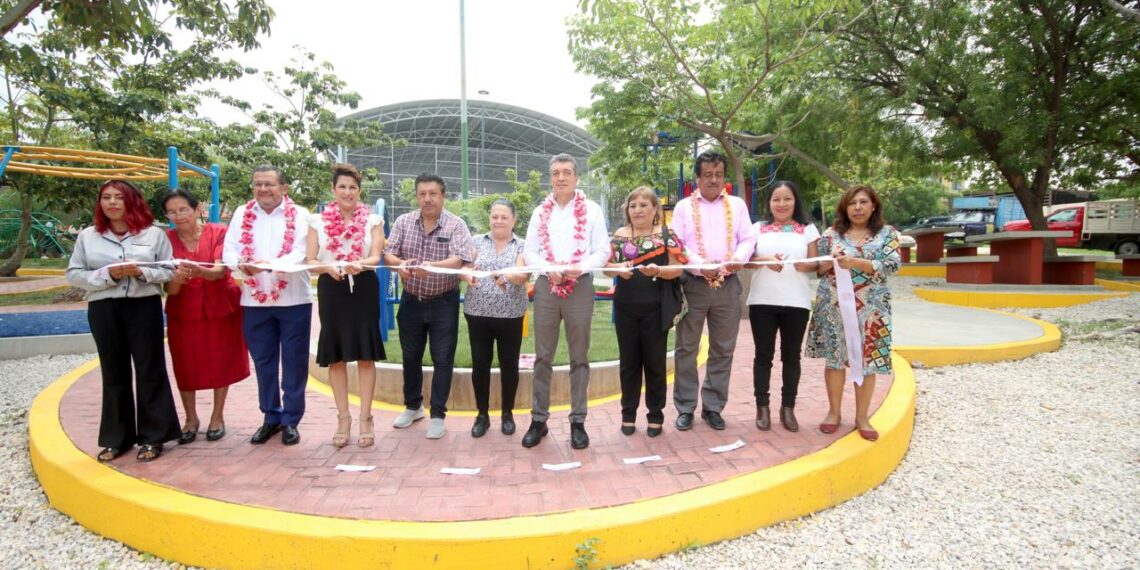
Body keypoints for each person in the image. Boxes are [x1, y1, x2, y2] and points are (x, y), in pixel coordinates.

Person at [66, 180, 180, 462]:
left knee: (149, 370)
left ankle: (154, 437)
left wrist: (141, 272)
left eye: (119, 197)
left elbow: (168, 269)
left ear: (132, 201)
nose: (112, 203)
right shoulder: (88, 236)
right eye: (106, 197)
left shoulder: (153, 235)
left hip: (144, 307)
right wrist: (108, 276)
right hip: (105, 309)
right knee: (114, 372)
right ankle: (117, 439)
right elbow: (74, 274)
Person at [521, 153, 610, 450]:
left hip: (579, 286)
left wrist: (579, 267)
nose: (561, 177)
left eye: (567, 172)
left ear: (577, 178)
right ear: (551, 177)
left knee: (579, 357)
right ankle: (539, 420)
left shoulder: (592, 210)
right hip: (547, 286)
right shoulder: (539, 212)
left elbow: (602, 250)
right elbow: (531, 251)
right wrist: (550, 270)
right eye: (556, 172)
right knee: (543, 356)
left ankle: (578, 422)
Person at [222, 165, 312, 446]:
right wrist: (241, 265)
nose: (263, 189)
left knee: (295, 361)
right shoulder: (241, 213)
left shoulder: (301, 215)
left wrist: (270, 266)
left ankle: (291, 421)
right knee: (264, 361)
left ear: (284, 188)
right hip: (254, 300)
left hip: (293, 299)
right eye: (258, 184)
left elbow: (301, 251)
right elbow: (230, 249)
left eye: (269, 184)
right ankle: (270, 416)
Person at [806, 184, 901, 442]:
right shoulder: (830, 235)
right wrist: (828, 263)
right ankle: (834, 413)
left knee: (867, 360)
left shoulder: (887, 234)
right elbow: (818, 269)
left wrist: (856, 262)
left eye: (862, 202)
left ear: (873, 206)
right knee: (835, 358)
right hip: (833, 306)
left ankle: (862, 416)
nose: (857, 208)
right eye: (852, 203)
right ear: (844, 208)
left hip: (872, 309)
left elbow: (893, 265)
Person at [670, 151, 756, 431]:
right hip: (693, 285)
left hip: (728, 284)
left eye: (718, 174)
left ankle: (713, 406)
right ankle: (685, 408)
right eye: (707, 174)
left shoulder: (737, 205)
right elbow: (678, 245)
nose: (713, 180)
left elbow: (747, 239)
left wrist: (736, 262)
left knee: (723, 349)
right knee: (686, 349)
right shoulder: (683, 207)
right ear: (697, 178)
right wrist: (700, 265)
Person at [383, 173, 473, 439]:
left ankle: (437, 414)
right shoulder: (403, 222)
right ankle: (413, 406)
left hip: (444, 302)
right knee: (410, 356)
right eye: (422, 194)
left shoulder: (456, 225)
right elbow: (389, 253)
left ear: (443, 196)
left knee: (442, 358)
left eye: (433, 193)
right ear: (417, 196)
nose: (427, 199)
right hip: (411, 300)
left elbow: (459, 260)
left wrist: (429, 267)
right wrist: (401, 266)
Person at [306, 164, 387, 448]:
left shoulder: (373, 220)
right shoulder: (317, 221)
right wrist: (328, 267)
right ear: (333, 190)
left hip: (363, 285)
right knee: (336, 355)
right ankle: (343, 417)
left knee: (366, 355)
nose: (347, 192)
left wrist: (359, 263)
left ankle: (366, 417)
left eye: (353, 187)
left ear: (359, 191)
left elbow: (376, 256)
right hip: (333, 287)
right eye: (342, 187)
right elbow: (311, 260)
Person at [162, 189, 249, 445]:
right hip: (184, 309)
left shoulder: (218, 232)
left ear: (197, 209)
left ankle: (217, 416)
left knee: (221, 359)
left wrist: (199, 270)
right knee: (184, 362)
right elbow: (170, 288)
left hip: (220, 304)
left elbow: (221, 270)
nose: (179, 216)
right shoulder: (165, 240)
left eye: (183, 210)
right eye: (172, 212)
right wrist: (177, 279)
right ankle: (190, 418)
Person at [604, 186, 685, 438]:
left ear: (655, 209)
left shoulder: (665, 234)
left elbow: (678, 269)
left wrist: (658, 271)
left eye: (644, 205)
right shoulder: (619, 234)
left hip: (655, 310)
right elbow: (606, 267)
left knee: (655, 363)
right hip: (625, 308)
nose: (638, 210)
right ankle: (628, 414)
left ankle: (655, 415)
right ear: (627, 210)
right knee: (628, 364)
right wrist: (618, 269)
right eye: (633, 205)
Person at [747, 181, 819, 433]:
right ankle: (762, 407)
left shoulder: (808, 229)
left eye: (787, 199)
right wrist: (764, 260)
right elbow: (746, 262)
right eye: (776, 199)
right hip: (762, 301)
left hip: (797, 302)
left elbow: (816, 264)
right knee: (763, 356)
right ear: (769, 203)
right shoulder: (757, 228)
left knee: (791, 357)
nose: (781, 204)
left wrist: (805, 265)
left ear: (795, 201)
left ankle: (788, 407)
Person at [461, 199, 529, 438]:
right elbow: (465, 266)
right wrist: (466, 275)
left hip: (510, 315)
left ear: (514, 220)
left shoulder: (523, 245)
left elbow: (522, 276)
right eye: (495, 216)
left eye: (504, 217)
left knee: (509, 365)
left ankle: (507, 413)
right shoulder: (476, 241)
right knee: (480, 364)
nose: (498, 221)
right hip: (477, 314)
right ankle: (482, 415)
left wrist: (507, 276)